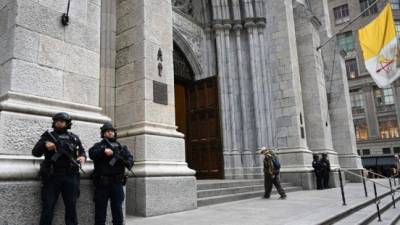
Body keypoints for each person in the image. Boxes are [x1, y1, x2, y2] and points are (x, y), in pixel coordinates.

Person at [32, 112, 86, 225]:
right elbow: (35, 152)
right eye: (57, 121)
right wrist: (45, 145)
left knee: (71, 207)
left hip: (71, 176)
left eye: (62, 121)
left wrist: (82, 157)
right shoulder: (48, 137)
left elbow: (81, 151)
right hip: (52, 176)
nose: (59, 123)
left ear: (67, 123)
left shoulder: (74, 138)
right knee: (48, 206)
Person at [89, 122, 134, 225]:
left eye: (112, 131)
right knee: (100, 210)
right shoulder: (98, 146)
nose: (110, 133)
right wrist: (103, 151)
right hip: (102, 183)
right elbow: (91, 154)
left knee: (117, 209)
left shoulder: (121, 148)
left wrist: (116, 155)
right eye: (107, 131)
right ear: (103, 133)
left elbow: (130, 162)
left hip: (117, 182)